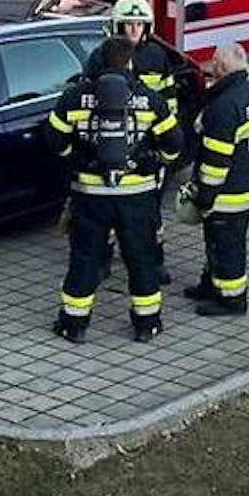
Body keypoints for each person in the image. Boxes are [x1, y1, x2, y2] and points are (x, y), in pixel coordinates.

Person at [48, 37, 183, 343]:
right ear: (130, 63)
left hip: (90, 195)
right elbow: (174, 143)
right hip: (137, 196)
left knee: (85, 259)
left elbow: (53, 139)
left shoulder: (74, 97)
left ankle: (74, 325)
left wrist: (77, 158)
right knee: (141, 260)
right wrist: (155, 163)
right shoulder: (149, 99)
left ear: (98, 63)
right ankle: (146, 325)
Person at [84, 0, 177, 283]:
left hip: (145, 146)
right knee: (103, 211)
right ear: (117, 26)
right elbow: (88, 102)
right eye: (128, 24)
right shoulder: (100, 57)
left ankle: (155, 262)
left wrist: (162, 145)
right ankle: (102, 262)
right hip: (109, 143)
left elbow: (168, 101)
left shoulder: (157, 57)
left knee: (150, 212)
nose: (134, 30)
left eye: (139, 24)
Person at [179, 43, 249, 317]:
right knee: (216, 241)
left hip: (228, 195)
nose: (210, 67)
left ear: (222, 68)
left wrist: (204, 198)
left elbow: (215, 164)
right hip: (247, 185)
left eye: (214, 63)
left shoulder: (223, 107)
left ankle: (231, 300)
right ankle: (211, 284)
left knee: (226, 246)